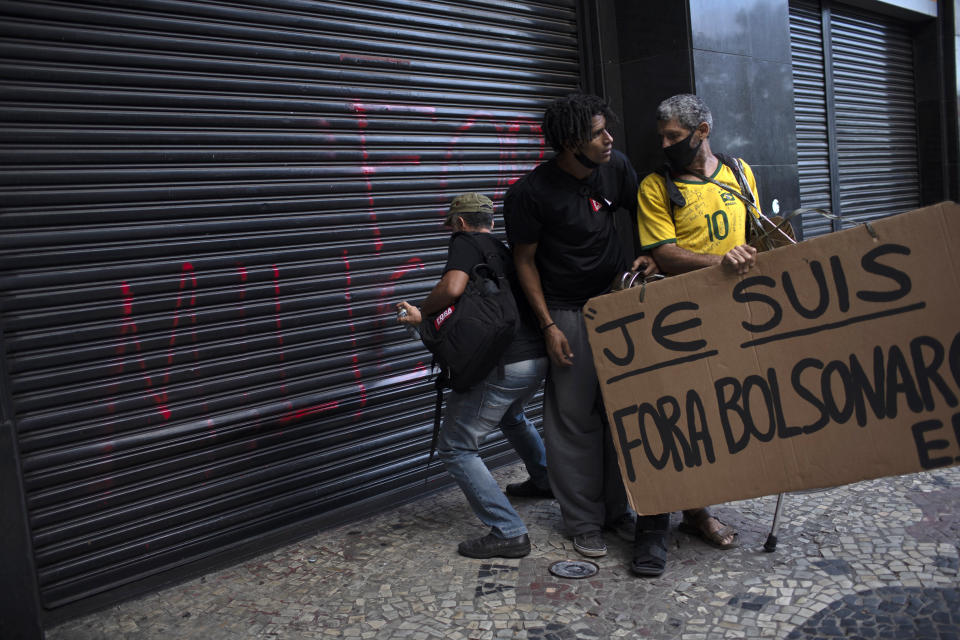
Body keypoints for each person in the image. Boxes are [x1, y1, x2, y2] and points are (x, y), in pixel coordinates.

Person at [503, 93, 657, 558]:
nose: (609, 138)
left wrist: (649, 253)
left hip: (620, 306)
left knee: (620, 414)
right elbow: (524, 263)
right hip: (568, 312)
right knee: (574, 420)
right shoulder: (530, 193)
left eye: (606, 129)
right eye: (597, 133)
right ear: (571, 142)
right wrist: (548, 325)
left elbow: (645, 216)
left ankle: (616, 511)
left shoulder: (616, 168)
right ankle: (583, 521)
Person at [632, 93, 760, 577]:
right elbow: (664, 254)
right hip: (677, 323)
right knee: (672, 416)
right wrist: (720, 262)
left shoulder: (740, 173)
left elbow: (755, 235)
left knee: (713, 416)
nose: (664, 144)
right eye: (661, 136)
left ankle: (697, 509)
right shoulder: (656, 185)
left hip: (734, 316)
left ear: (702, 131)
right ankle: (654, 522)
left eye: (673, 136)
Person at [396, 192, 550, 559]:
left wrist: (422, 314)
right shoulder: (506, 248)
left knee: (456, 447)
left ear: (460, 223)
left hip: (504, 364)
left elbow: (452, 288)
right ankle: (545, 481)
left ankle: (508, 531)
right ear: (491, 221)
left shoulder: (466, 242)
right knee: (512, 416)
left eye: (453, 224)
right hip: (536, 359)